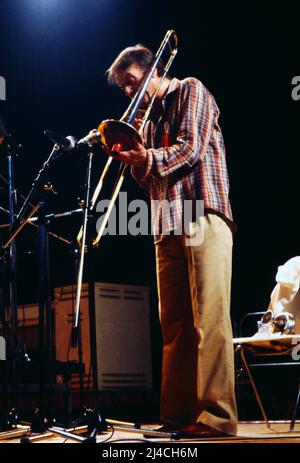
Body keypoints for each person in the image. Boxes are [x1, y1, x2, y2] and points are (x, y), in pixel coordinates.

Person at [105, 43, 238, 438]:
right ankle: (178, 415)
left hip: (203, 212)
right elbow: (149, 179)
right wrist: (134, 160)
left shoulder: (190, 90)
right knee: (175, 325)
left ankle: (217, 417)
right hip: (166, 222)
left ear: (150, 70)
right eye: (124, 89)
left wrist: (146, 158)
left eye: (131, 82)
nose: (129, 93)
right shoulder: (146, 121)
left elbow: (190, 150)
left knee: (209, 319)